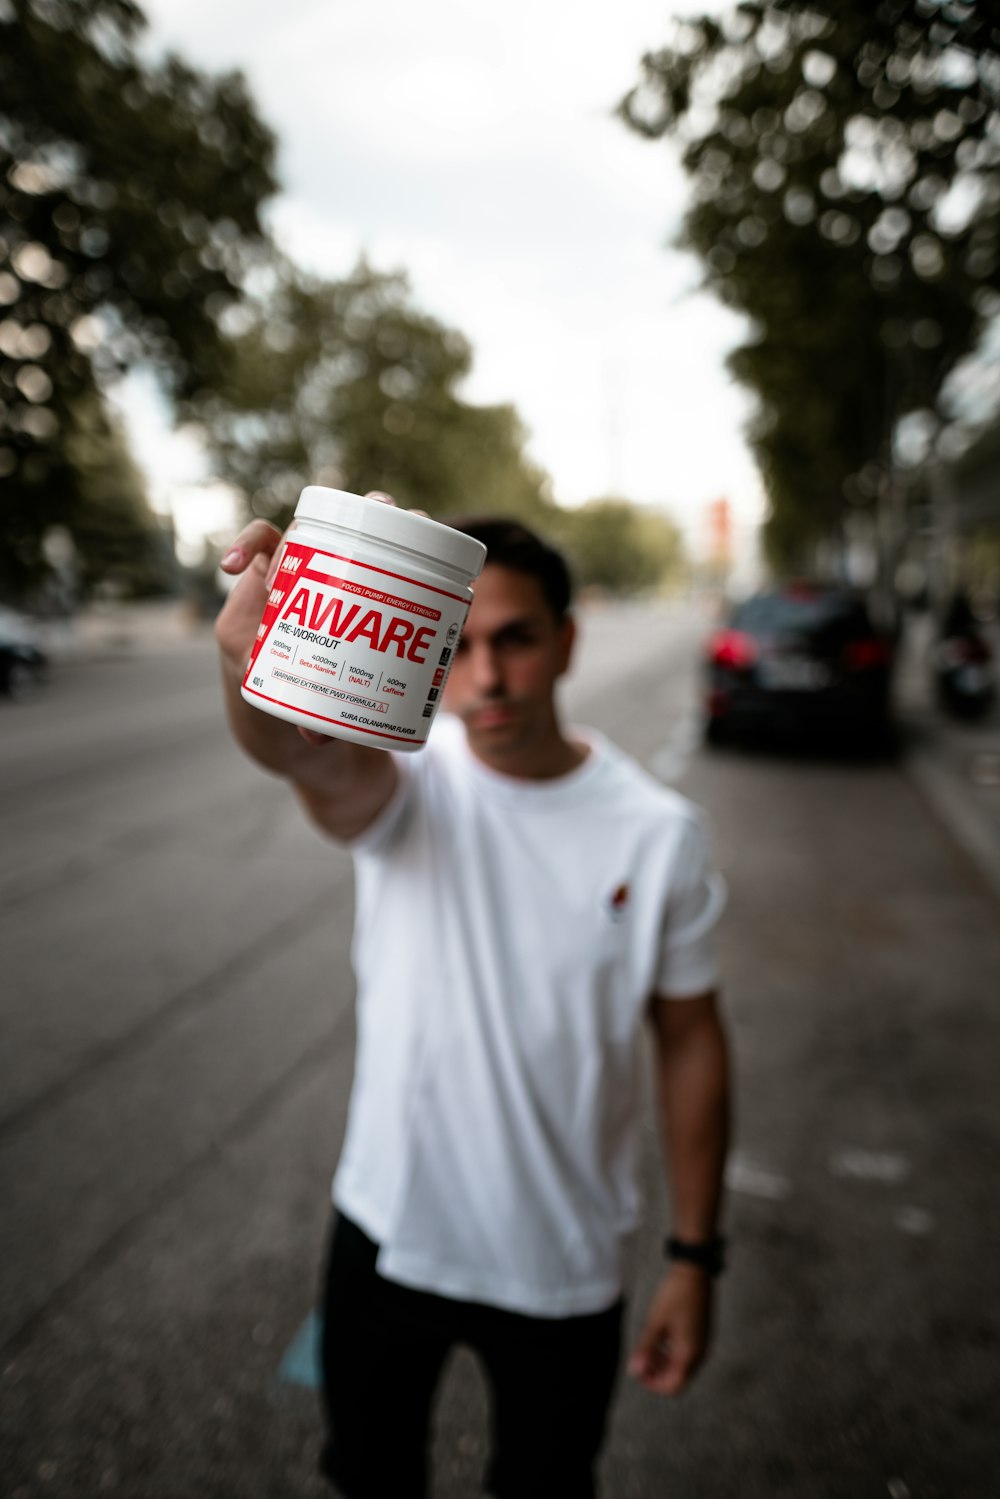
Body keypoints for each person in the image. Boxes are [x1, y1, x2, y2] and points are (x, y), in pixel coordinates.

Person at [215, 501, 731, 1499]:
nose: (487, 677)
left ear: (567, 640)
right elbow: (303, 755)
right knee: (368, 1474)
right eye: (456, 646)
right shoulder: (410, 773)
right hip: (386, 1228)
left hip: (563, 1257)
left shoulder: (660, 830)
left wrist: (694, 1257)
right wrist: (247, 668)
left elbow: (691, 1037)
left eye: (516, 639)